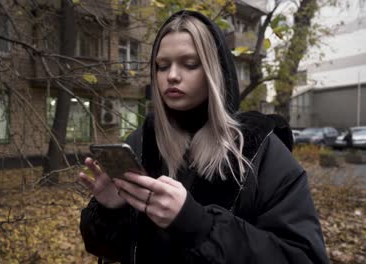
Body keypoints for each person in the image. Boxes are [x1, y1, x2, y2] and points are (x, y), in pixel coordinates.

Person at [78, 10, 329, 264]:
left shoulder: (259, 149)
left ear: (214, 71)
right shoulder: (142, 142)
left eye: (189, 64)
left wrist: (199, 226)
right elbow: (107, 249)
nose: (172, 75)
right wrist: (111, 211)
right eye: (162, 66)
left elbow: (304, 257)